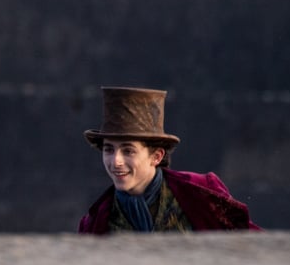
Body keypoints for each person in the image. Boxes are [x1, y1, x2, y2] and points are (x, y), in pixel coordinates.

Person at [78, 86, 261, 234]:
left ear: (156, 156)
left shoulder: (200, 194)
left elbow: (249, 244)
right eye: (109, 150)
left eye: (128, 151)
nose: (116, 161)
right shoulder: (96, 222)